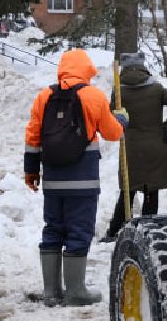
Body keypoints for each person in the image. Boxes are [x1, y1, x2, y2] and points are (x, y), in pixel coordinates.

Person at [23, 49, 126, 306]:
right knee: (79, 231)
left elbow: (32, 137)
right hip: (83, 181)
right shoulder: (93, 95)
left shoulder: (44, 96)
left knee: (53, 229)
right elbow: (113, 133)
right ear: (86, 70)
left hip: (53, 182)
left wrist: (31, 171)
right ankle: (76, 291)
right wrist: (121, 119)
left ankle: (51, 291)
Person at [102, 53, 167, 241]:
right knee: (151, 191)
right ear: (142, 66)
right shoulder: (156, 89)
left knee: (128, 190)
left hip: (131, 150)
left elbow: (110, 118)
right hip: (155, 146)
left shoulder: (119, 92)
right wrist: (166, 126)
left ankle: (114, 231)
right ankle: (148, 232)